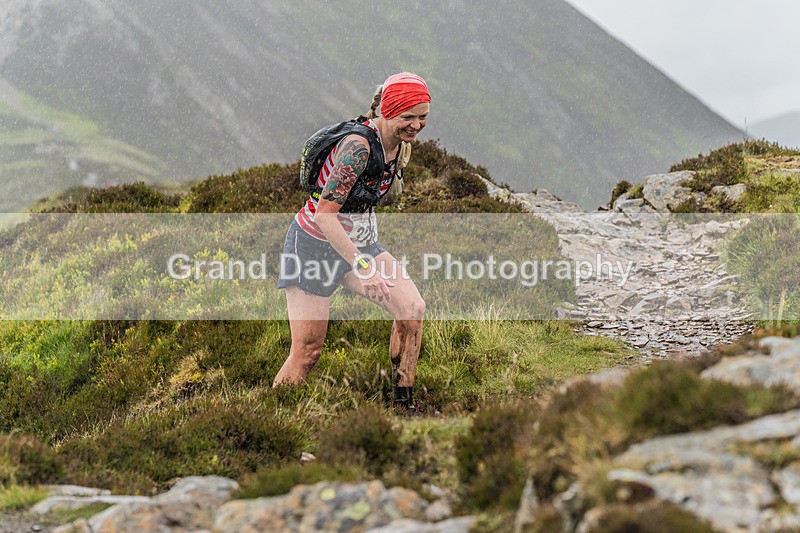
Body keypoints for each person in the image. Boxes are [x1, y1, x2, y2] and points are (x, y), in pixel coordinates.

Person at [273, 72, 430, 414]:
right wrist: (364, 266)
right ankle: (273, 419)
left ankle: (403, 406)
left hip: (361, 244)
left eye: (422, 117)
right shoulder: (358, 148)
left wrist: (365, 255)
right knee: (307, 352)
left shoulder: (400, 146)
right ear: (387, 111)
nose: (416, 126)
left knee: (412, 310)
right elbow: (325, 215)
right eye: (408, 117)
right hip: (313, 246)